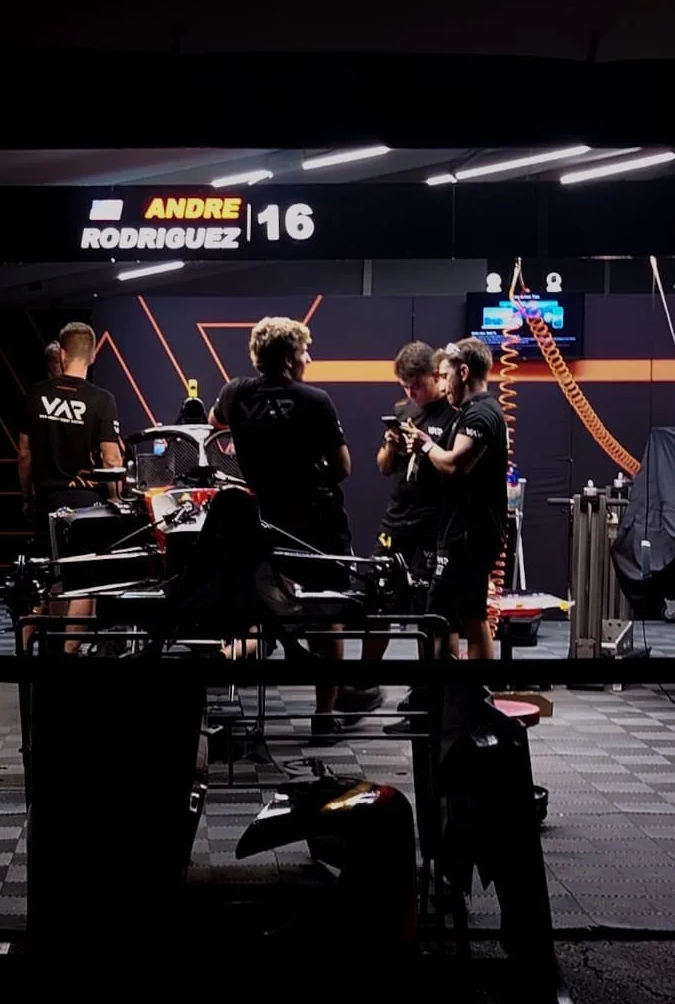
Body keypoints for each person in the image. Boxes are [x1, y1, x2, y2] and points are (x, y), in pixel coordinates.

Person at [208, 315, 354, 744]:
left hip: (263, 520)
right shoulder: (315, 400)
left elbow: (216, 424)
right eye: (305, 352)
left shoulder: (234, 393)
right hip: (315, 523)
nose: (308, 359)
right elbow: (343, 468)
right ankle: (324, 716)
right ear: (292, 357)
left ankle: (226, 672)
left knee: (259, 609)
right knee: (328, 617)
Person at [339, 343, 456, 719]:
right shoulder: (404, 411)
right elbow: (384, 466)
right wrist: (392, 446)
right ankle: (363, 685)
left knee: (430, 611)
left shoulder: (456, 413)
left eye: (417, 386)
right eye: (405, 386)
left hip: (433, 524)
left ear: (436, 377)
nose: (411, 394)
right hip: (398, 520)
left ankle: (428, 691)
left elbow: (456, 468)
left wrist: (424, 447)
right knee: (378, 603)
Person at [17, 321, 124, 652]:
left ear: (62, 354)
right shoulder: (102, 400)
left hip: (47, 500)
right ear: (92, 356)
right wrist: (117, 498)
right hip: (86, 505)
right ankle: (67, 657)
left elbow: (24, 455)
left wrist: (27, 497)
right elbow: (111, 458)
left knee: (51, 582)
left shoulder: (35, 395)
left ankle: (37, 660)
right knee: (83, 585)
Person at [411, 337, 508, 660]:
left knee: (450, 616)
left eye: (444, 375)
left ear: (463, 372)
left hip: (469, 533)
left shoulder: (480, 414)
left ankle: (463, 700)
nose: (443, 385)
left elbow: (455, 465)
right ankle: (458, 700)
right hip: (461, 529)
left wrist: (425, 445)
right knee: (460, 616)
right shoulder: (469, 412)